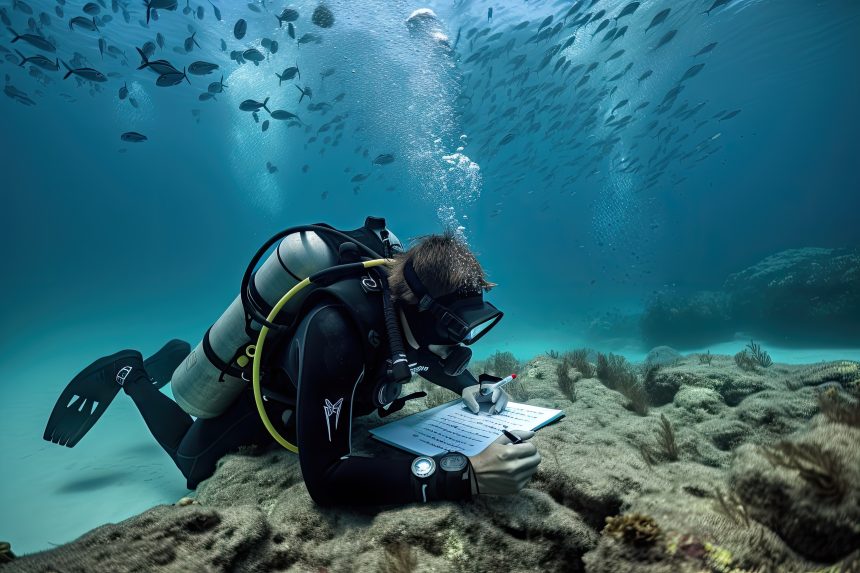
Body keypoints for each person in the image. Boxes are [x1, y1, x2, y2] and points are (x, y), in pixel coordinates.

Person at [44, 220, 542, 506]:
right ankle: (129, 374)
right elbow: (325, 481)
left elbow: (421, 348)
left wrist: (470, 385)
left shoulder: (403, 304)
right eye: (455, 330)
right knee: (191, 463)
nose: (462, 345)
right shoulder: (336, 332)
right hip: (269, 392)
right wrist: (460, 474)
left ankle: (179, 353)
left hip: (334, 378)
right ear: (416, 306)